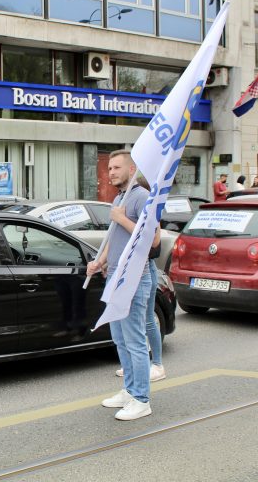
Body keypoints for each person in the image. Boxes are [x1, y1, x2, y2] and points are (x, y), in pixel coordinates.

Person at [86, 150, 153, 421]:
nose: (110, 172)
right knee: (120, 340)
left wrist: (122, 218)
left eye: (116, 167)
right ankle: (129, 390)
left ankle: (142, 399)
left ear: (131, 169)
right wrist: (99, 261)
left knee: (135, 341)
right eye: (109, 168)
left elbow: (150, 237)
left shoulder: (141, 197)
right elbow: (114, 238)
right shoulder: (119, 199)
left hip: (134, 278)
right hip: (114, 278)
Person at [115, 175, 166, 383]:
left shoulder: (150, 212)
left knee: (147, 319)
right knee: (133, 321)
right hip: (133, 269)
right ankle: (134, 364)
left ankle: (158, 364)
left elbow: (154, 241)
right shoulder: (130, 208)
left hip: (146, 269)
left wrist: (122, 219)